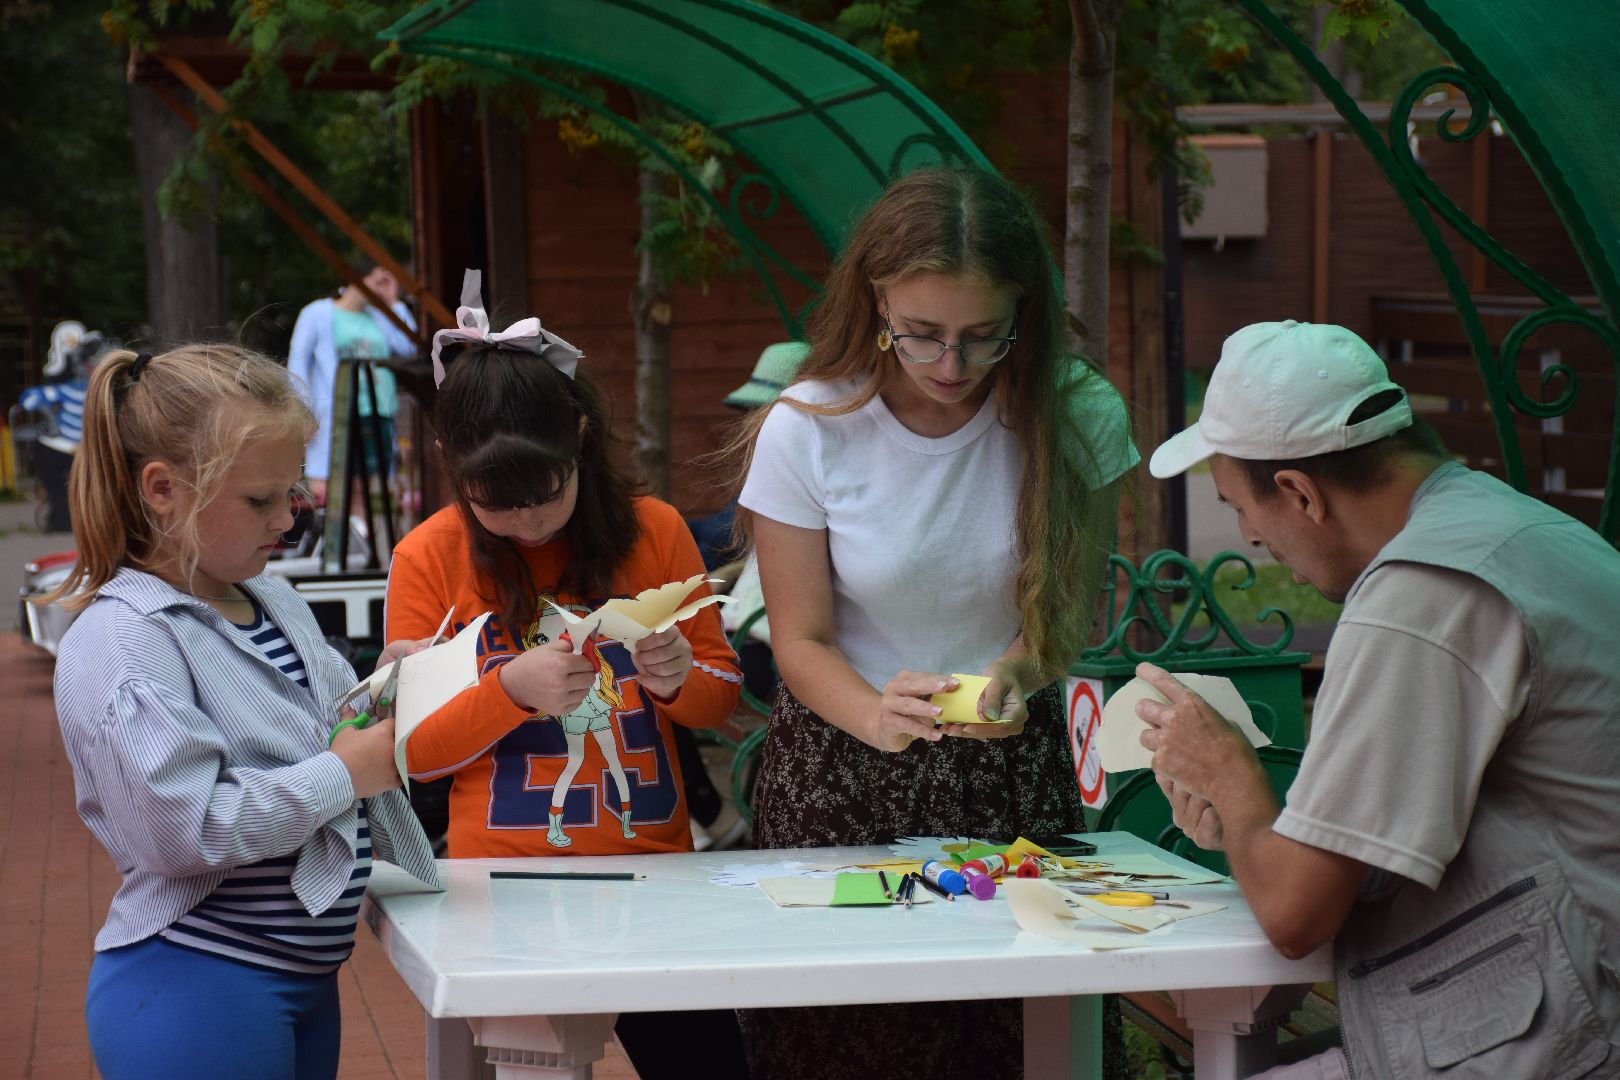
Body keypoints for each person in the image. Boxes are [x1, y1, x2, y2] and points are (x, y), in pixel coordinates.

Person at [731, 167, 1137, 1078]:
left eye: (982, 337)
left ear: (1024, 315)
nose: (951, 367)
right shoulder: (810, 423)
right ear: (875, 299)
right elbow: (799, 639)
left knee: (1027, 1045)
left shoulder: (1077, 414)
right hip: (842, 771)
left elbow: (1066, 616)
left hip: (1011, 776)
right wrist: (877, 714)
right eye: (920, 336)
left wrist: (1024, 671)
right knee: (842, 1049)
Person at [1137, 320, 1620, 1079]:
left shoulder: (1422, 593)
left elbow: (1298, 915)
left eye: (1242, 510)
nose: (1251, 536)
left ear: (1299, 493)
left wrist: (1232, 779)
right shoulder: (1515, 528)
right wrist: (1240, 822)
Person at [383, 271, 750, 1080]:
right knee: (533, 1072)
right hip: (500, 886)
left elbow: (719, 701)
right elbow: (413, 755)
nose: (525, 521)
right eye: (494, 503)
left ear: (579, 438)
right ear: (453, 467)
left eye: (543, 494)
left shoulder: (653, 531)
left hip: (654, 873)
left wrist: (678, 676)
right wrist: (510, 692)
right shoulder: (428, 557)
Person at [46, 344, 442, 1080]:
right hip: (195, 983)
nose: (289, 519)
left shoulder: (271, 598)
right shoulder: (125, 639)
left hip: (292, 979)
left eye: (293, 493)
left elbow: (326, 722)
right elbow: (183, 828)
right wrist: (341, 776)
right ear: (162, 489)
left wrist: (383, 686)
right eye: (261, 500)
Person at [287, 259, 417, 507]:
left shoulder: (379, 316)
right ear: (358, 279)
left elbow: (408, 347)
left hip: (377, 408)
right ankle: (335, 539)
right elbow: (298, 361)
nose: (381, 288)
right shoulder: (319, 313)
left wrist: (393, 303)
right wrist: (301, 408)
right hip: (336, 411)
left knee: (369, 485)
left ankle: (360, 539)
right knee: (329, 483)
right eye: (377, 281)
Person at [18, 319, 96, 532]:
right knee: (62, 492)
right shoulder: (65, 389)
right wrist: (50, 418)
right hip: (62, 447)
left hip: (80, 447)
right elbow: (29, 399)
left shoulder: (91, 389)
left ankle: (75, 522)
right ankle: (62, 522)